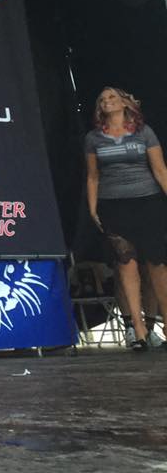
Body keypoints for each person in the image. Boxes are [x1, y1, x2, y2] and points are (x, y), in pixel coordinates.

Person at [85, 87, 167, 350]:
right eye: (102, 99)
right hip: (113, 205)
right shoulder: (94, 138)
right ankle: (138, 330)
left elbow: (160, 169)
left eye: (111, 97)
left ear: (124, 103)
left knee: (157, 265)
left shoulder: (144, 132)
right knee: (126, 264)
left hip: (147, 201)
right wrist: (92, 208)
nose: (106, 101)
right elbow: (93, 176)